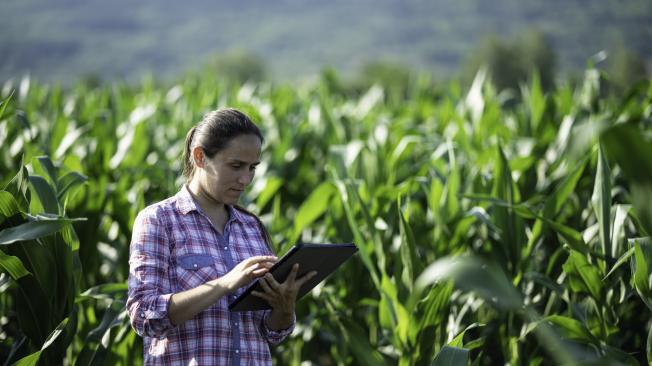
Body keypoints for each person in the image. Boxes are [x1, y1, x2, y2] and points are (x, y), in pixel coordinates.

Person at [127, 108, 316, 365]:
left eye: (252, 168)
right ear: (200, 157)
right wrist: (225, 283)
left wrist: (284, 308)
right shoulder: (160, 220)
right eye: (236, 166)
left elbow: (269, 332)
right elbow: (144, 315)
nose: (246, 179)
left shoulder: (251, 227)